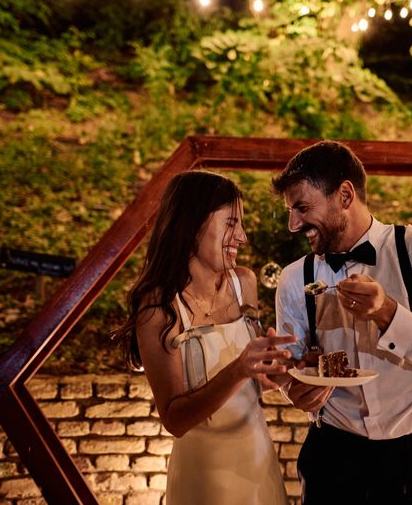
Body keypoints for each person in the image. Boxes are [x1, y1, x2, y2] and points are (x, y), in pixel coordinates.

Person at [272, 141, 412, 505]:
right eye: (290, 211)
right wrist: (293, 388)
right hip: (329, 463)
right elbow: (292, 369)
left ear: (346, 195)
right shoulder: (293, 278)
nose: (293, 224)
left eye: (301, 207)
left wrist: (388, 313)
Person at [115, 170, 295, 505]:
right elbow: (175, 419)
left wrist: (273, 370)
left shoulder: (245, 283)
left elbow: (255, 381)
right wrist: (239, 369)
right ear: (192, 224)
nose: (241, 237)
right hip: (205, 478)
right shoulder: (158, 308)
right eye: (231, 223)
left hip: (258, 463)